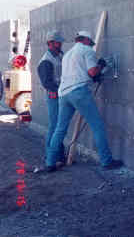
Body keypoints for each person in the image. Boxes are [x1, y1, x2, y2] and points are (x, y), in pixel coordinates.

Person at [46, 30, 123, 171]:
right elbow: (92, 72)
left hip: (63, 93)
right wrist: (101, 64)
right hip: (78, 92)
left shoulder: (67, 54)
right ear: (86, 40)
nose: (91, 45)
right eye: (90, 42)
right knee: (97, 125)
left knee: (60, 128)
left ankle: (50, 162)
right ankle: (107, 161)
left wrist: (94, 74)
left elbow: (79, 72)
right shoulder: (87, 50)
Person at [37, 30, 65, 165]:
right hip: (53, 96)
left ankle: (59, 155)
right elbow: (46, 82)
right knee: (54, 126)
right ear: (50, 43)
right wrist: (55, 90)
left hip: (61, 94)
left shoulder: (60, 55)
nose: (60, 44)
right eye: (57, 42)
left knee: (59, 127)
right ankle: (50, 157)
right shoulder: (46, 61)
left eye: (60, 42)